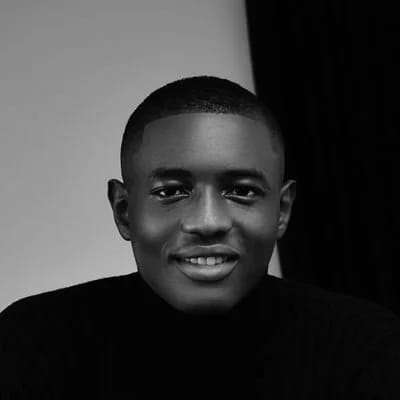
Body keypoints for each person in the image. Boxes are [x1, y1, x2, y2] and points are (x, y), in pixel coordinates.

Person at [1, 76, 400, 399]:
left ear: (281, 211)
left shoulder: (366, 348)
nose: (208, 222)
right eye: (171, 191)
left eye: (241, 191)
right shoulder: (33, 342)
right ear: (124, 211)